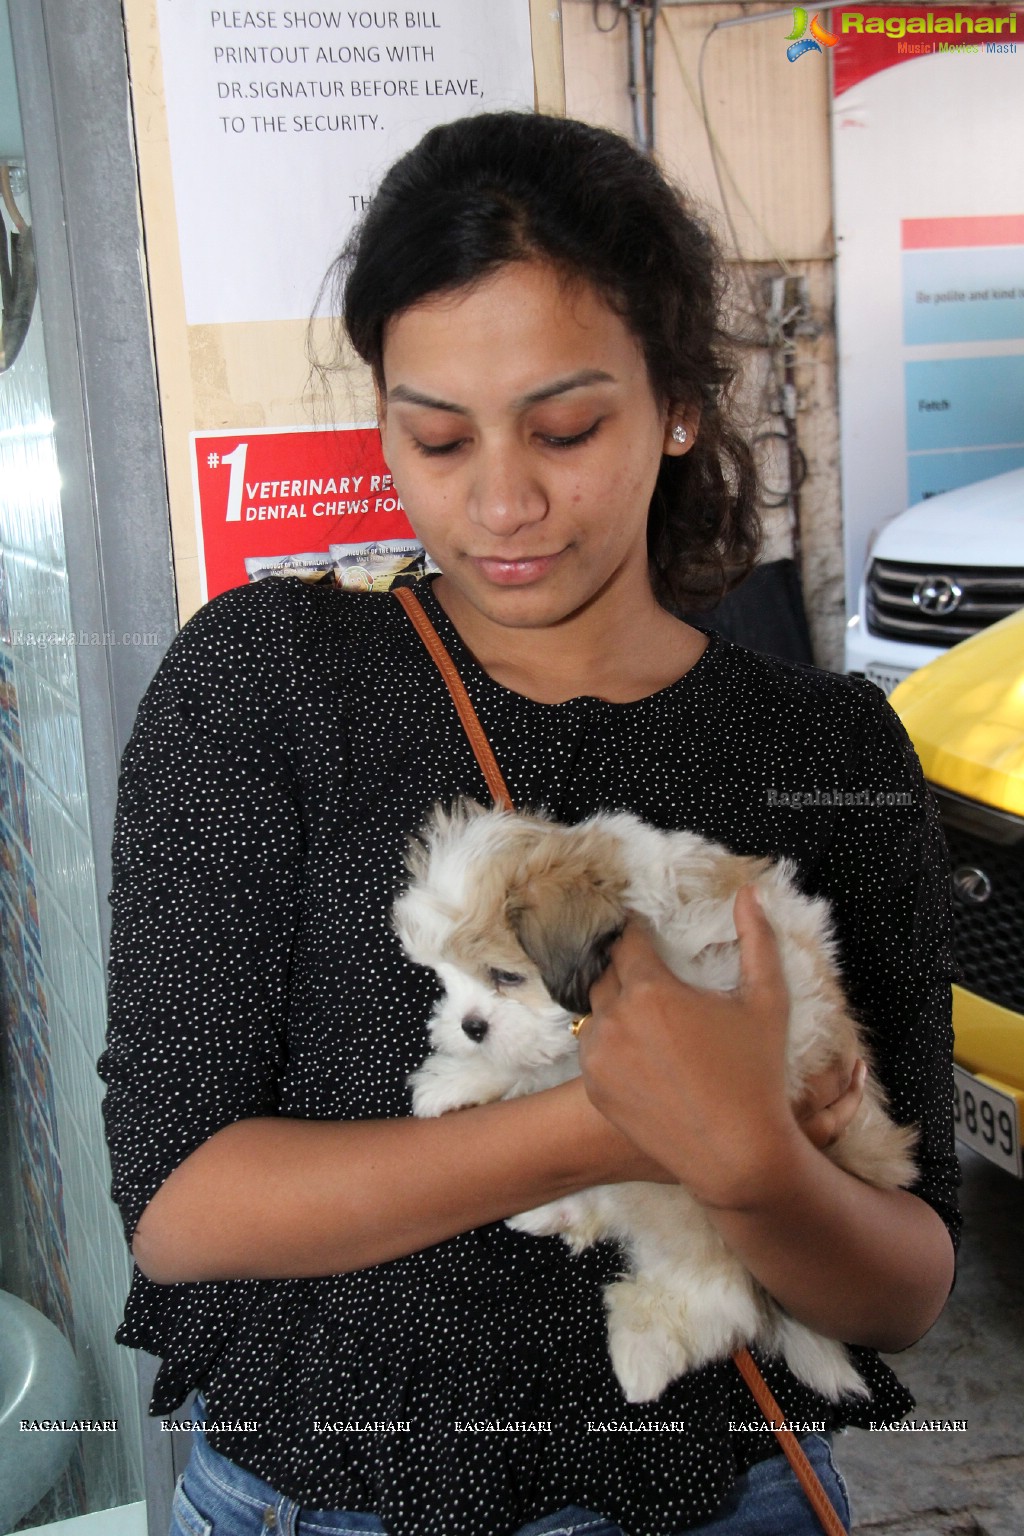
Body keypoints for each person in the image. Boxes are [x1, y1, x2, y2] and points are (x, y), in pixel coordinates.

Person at [99, 112, 959, 1536]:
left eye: (566, 428)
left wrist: (755, 1170)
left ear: (677, 402)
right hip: (314, 1502)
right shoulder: (270, 682)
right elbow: (185, 1203)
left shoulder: (824, 751)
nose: (501, 501)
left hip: (720, 1498)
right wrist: (613, 1126)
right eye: (435, 435)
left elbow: (910, 1284)